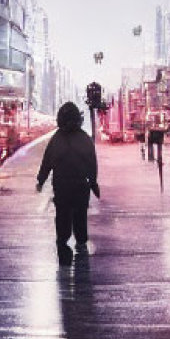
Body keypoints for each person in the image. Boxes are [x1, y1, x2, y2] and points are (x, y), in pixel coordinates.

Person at [36, 101, 101, 265]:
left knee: (62, 215)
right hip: (80, 186)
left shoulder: (56, 139)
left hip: (62, 186)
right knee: (80, 215)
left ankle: (63, 245)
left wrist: (41, 180)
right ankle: (80, 241)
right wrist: (93, 183)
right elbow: (92, 163)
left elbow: (47, 162)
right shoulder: (84, 138)